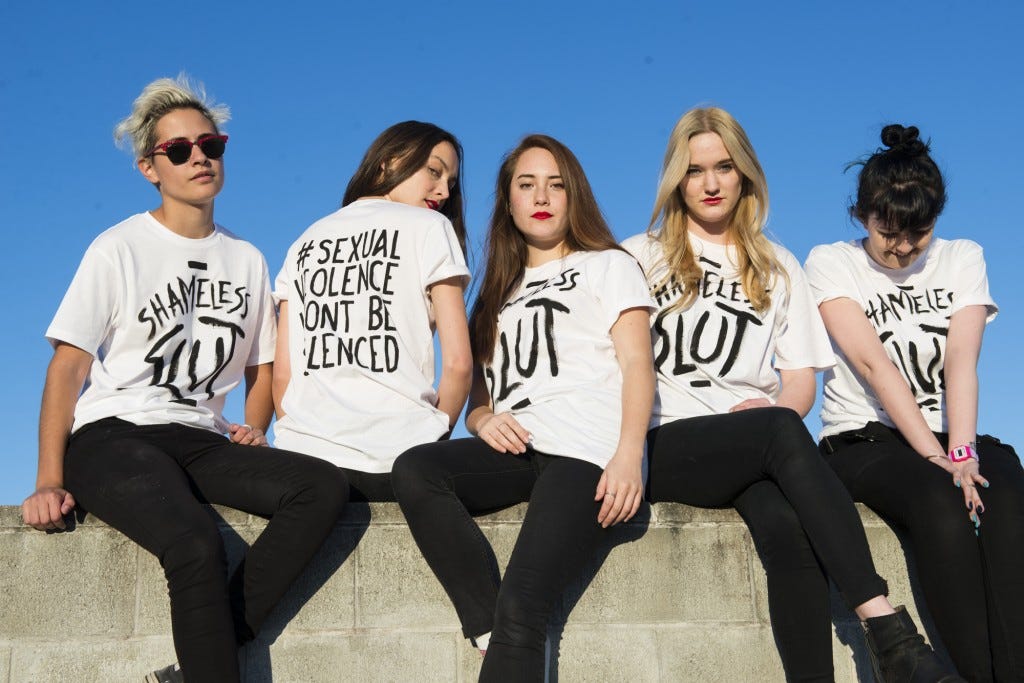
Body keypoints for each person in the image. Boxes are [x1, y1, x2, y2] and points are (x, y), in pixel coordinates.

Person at [19, 75, 347, 683]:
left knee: (321, 489)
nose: (199, 157)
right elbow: (67, 368)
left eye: (211, 144)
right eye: (179, 150)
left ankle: (203, 660)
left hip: (199, 437)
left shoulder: (246, 258)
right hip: (112, 438)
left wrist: (253, 424)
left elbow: (261, 366)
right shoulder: (118, 247)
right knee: (195, 544)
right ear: (151, 167)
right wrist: (48, 479)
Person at [622, 107, 962, 683]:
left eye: (724, 167)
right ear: (676, 180)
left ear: (745, 175)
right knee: (781, 429)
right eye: (695, 170)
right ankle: (888, 629)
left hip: (752, 447)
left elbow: (800, 380)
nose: (710, 183)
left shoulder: (778, 266)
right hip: (666, 442)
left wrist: (774, 412)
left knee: (789, 531)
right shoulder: (638, 256)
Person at [391, 134, 656, 681]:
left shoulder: (609, 265)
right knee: (416, 468)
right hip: (522, 450)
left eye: (556, 185)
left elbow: (637, 365)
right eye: (527, 184)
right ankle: (489, 627)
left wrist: (629, 455)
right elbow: (480, 401)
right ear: (507, 201)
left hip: (584, 454)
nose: (542, 196)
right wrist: (485, 419)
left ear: (574, 196)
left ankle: (507, 629)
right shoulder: (495, 293)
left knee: (526, 606)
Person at [806, 124, 1024, 683]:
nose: (902, 248)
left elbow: (960, 364)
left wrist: (963, 451)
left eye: (918, 234)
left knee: (1007, 489)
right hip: (864, 440)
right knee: (940, 502)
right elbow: (875, 367)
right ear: (862, 216)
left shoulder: (962, 256)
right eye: (888, 233)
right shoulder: (831, 262)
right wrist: (937, 459)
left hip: (949, 432)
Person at [272, 121, 472, 500]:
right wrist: (431, 439)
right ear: (389, 161)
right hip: (400, 457)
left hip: (308, 461)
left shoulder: (304, 240)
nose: (444, 190)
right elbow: (460, 363)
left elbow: (284, 375)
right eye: (434, 170)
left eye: (451, 181)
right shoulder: (430, 227)